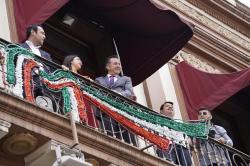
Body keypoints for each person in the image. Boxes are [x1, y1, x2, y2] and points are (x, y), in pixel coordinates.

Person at [95, 56, 136, 144]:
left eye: (119, 64)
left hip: (123, 111)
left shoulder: (126, 79)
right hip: (106, 111)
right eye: (115, 64)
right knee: (110, 139)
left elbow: (129, 92)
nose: (118, 66)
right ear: (108, 67)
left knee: (129, 141)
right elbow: (97, 94)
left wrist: (119, 94)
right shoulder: (99, 80)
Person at [62, 55, 96, 126]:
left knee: (89, 123)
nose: (81, 62)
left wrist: (89, 83)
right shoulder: (64, 72)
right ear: (71, 61)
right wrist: (63, 70)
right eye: (78, 59)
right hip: (73, 100)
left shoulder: (83, 78)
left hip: (84, 102)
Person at [20, 24, 52, 98]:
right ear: (33, 32)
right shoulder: (19, 47)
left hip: (44, 90)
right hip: (25, 84)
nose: (44, 36)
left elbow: (51, 73)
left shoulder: (46, 55)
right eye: (42, 33)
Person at [157, 101, 192, 166]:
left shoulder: (179, 122)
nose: (170, 107)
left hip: (182, 147)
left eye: (172, 107)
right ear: (161, 111)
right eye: (167, 106)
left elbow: (187, 137)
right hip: (166, 146)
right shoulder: (157, 121)